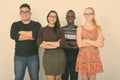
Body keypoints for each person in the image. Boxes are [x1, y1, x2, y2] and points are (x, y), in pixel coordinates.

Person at [10, 3, 41, 80]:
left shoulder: (37, 24)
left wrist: (21, 32)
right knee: (18, 78)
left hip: (33, 57)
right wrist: (31, 36)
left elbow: (36, 35)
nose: (24, 13)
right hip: (19, 57)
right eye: (22, 12)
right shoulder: (15, 25)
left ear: (30, 13)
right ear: (20, 14)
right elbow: (13, 36)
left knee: (35, 78)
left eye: (26, 11)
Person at [76, 7, 104, 80]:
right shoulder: (80, 28)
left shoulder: (98, 28)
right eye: (86, 14)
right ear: (84, 15)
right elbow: (79, 44)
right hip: (83, 55)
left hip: (94, 56)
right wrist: (95, 42)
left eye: (90, 13)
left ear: (93, 15)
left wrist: (87, 40)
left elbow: (101, 44)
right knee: (84, 77)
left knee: (92, 77)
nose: (87, 15)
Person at [37, 10, 66, 80]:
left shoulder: (60, 30)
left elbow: (62, 44)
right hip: (48, 57)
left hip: (59, 57)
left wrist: (46, 42)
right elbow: (39, 44)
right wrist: (56, 44)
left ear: (56, 19)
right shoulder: (42, 29)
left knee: (58, 78)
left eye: (54, 16)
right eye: (50, 16)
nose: (52, 18)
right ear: (47, 17)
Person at [62, 10, 78, 80]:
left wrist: (67, 42)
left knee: (74, 76)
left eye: (72, 16)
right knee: (64, 76)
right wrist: (73, 44)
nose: (70, 17)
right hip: (64, 54)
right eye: (68, 16)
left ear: (75, 17)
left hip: (75, 55)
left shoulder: (79, 29)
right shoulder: (62, 29)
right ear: (66, 18)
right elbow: (62, 43)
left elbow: (79, 43)